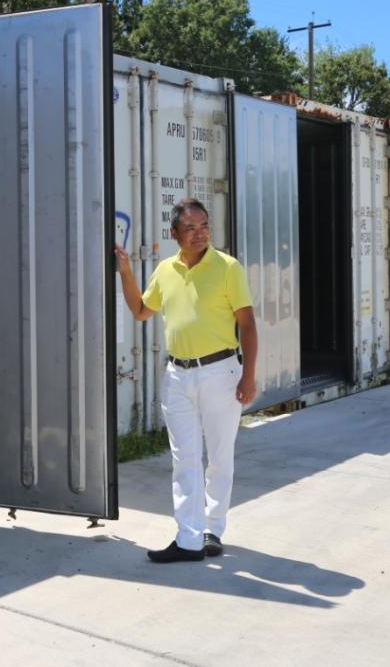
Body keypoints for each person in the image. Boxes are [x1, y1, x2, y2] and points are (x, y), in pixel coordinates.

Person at [114, 197, 257, 563]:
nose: (199, 233)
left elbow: (247, 324)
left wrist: (249, 376)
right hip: (177, 376)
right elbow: (141, 311)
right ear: (174, 233)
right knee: (184, 460)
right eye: (190, 228)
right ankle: (189, 539)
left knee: (220, 458)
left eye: (204, 225)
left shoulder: (228, 268)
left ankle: (213, 529)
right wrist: (126, 272)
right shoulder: (165, 270)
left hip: (221, 373)